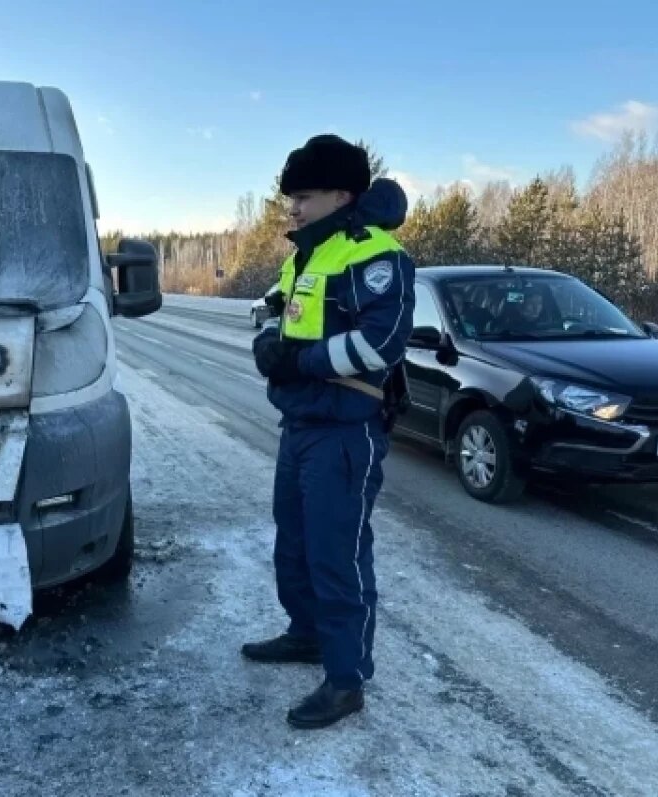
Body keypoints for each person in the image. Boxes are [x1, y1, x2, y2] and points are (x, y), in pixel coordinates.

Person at [243, 134, 415, 729]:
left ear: (342, 194)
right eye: (291, 196)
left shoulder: (375, 255)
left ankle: (346, 681)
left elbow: (379, 343)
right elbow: (273, 311)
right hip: (300, 422)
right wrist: (268, 341)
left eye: (304, 196)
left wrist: (301, 361)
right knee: (293, 542)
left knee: (336, 554)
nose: (292, 208)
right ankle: (306, 635)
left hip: (345, 431)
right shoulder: (308, 253)